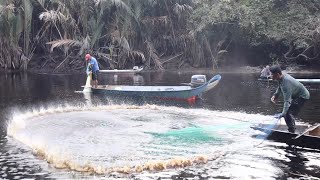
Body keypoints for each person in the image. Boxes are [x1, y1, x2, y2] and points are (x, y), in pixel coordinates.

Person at [270, 65, 310, 133]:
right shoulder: (280, 78)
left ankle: (292, 131)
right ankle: (292, 127)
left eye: (272, 74)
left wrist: (283, 113)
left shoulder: (286, 83)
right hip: (297, 95)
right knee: (288, 113)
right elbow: (279, 87)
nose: (271, 76)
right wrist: (275, 95)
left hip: (302, 96)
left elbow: (287, 101)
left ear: (277, 74)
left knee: (287, 113)